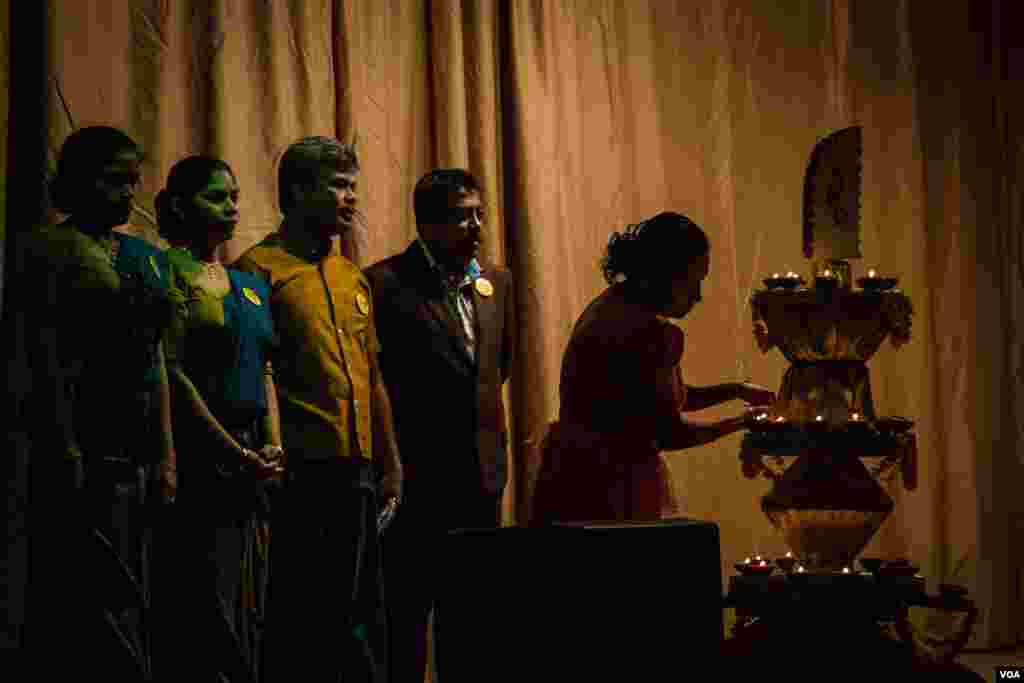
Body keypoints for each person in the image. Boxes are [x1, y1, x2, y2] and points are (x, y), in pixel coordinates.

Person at [234, 136, 402, 683]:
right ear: (299, 192)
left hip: (357, 468)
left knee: (361, 616)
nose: (351, 198)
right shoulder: (259, 270)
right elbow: (254, 376)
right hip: (301, 470)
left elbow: (372, 374)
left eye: (354, 186)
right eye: (338, 186)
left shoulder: (352, 274)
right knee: (304, 618)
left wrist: (391, 460)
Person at [16, 125, 176, 681]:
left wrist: (166, 454)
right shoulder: (45, 250)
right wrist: (66, 447)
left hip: (136, 450)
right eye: (114, 183)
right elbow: (44, 357)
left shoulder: (141, 256)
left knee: (138, 587)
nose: (127, 196)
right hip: (82, 447)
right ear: (79, 182)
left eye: (133, 183)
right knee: (91, 594)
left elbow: (155, 361)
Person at [364, 168, 516, 683]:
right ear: (427, 223)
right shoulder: (384, 284)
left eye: (479, 213)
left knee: (475, 618)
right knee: (406, 620)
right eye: (461, 216)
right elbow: (375, 380)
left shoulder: (496, 280)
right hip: (417, 483)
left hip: (482, 478)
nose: (475, 225)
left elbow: (497, 370)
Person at [530, 212, 774, 525]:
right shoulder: (651, 333)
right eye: (694, 281)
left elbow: (665, 399)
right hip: (611, 491)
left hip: (567, 478)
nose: (699, 296)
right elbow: (670, 433)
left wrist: (737, 390)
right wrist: (740, 422)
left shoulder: (607, 305)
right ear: (665, 274)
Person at [152, 155, 282, 682]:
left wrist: (272, 443)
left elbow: (265, 369)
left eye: (233, 197)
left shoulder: (248, 283)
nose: (231, 208)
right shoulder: (166, 273)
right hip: (205, 450)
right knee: (205, 595)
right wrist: (232, 449)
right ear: (182, 207)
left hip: (254, 455)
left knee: (251, 597)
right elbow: (171, 370)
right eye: (216, 197)